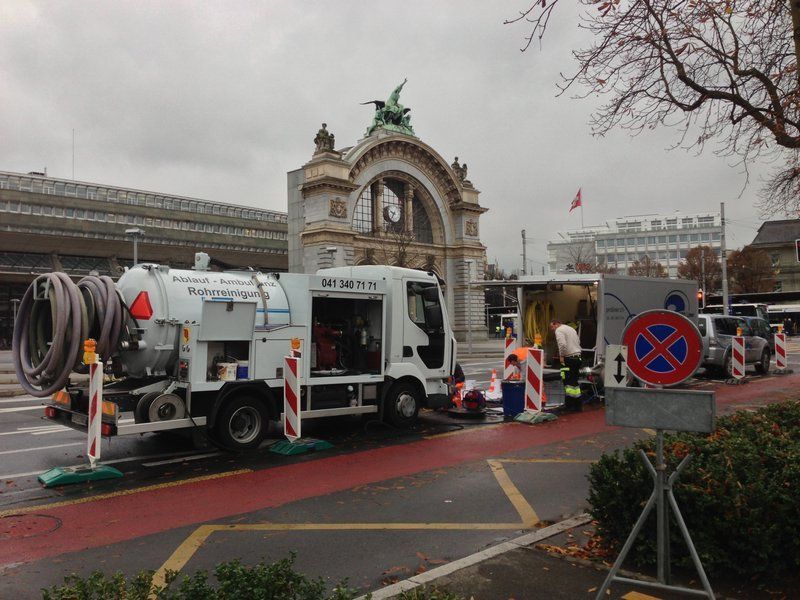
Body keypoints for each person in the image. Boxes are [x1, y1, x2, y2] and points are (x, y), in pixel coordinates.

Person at [550, 319, 583, 412]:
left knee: (568, 383)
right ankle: (577, 405)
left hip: (569, 359)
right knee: (574, 382)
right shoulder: (571, 329)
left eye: (552, 327)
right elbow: (578, 342)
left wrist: (561, 356)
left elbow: (562, 344)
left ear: (556, 324)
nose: (552, 329)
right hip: (577, 358)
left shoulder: (559, 330)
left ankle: (569, 406)